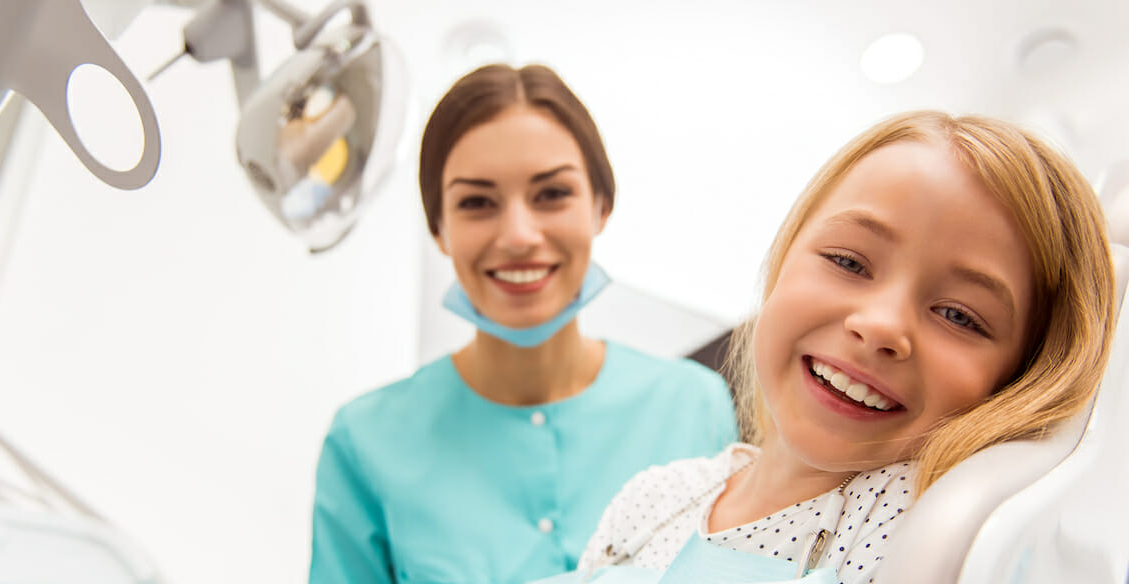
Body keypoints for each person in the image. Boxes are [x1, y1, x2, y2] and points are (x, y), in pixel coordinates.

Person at [571, 111, 1115, 584]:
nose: (880, 327)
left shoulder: (921, 525)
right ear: (784, 257)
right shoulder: (655, 496)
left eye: (958, 316)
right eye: (849, 262)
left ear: (1021, 377)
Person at [308, 64, 739, 584]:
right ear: (439, 230)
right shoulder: (366, 441)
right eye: (477, 203)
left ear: (601, 207)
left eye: (551, 194)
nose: (518, 235)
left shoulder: (694, 406)